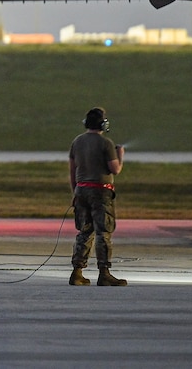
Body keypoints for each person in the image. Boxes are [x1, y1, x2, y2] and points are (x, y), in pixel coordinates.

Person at [68, 107, 128, 286]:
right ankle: (104, 272)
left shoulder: (77, 142)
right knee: (103, 232)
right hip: (101, 192)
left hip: (81, 190)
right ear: (103, 124)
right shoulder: (106, 143)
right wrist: (120, 156)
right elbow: (115, 169)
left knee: (84, 232)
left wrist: (75, 193)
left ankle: (77, 271)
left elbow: (73, 170)